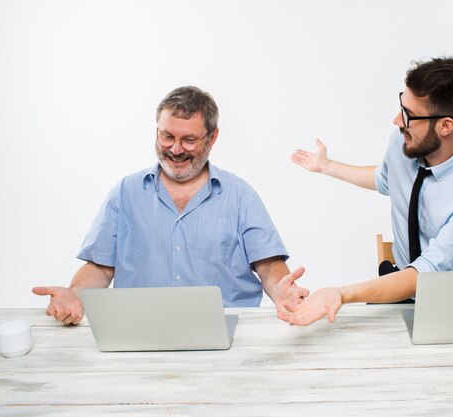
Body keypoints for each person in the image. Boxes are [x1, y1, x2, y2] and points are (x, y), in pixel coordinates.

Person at [33, 86, 308, 325]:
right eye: (167, 136)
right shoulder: (125, 193)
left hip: (227, 337)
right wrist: (75, 293)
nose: (175, 149)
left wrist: (283, 292)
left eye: (189, 140)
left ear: (212, 138)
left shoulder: (240, 196)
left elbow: (268, 264)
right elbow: (101, 266)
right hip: (139, 333)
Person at [282, 56, 453, 326]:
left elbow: (432, 270)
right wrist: (325, 166)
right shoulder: (404, 141)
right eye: (401, 106)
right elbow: (384, 180)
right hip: (402, 292)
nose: (396, 120)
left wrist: (341, 294)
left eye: (408, 115)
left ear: (446, 125)